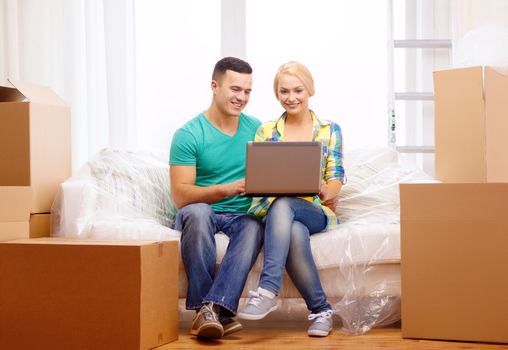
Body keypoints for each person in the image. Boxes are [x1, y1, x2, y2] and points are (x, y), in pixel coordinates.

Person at [237, 61, 345, 337]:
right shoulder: (267, 131)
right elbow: (261, 177)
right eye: (284, 91)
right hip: (278, 214)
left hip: (314, 210)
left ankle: (268, 289)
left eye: (298, 90)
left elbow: (335, 179)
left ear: (309, 89)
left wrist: (324, 189)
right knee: (293, 227)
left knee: (285, 203)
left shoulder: (329, 129)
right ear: (277, 94)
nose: (291, 97)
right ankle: (321, 311)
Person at [170, 57, 264, 339]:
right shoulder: (188, 134)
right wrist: (227, 188)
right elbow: (181, 196)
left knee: (254, 226)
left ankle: (212, 310)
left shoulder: (257, 129)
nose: (242, 97)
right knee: (199, 213)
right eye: (235, 89)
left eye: (247, 91)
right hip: (199, 211)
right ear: (214, 86)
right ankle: (209, 309)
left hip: (241, 215)